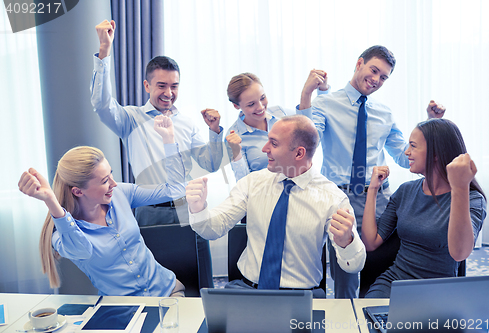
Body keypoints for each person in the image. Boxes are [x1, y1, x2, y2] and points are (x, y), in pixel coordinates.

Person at [298, 45, 446, 298]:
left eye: (384, 77)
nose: (376, 80)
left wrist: (433, 123)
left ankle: (375, 317)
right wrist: (306, 93)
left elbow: (403, 155)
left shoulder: (384, 113)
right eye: (374, 70)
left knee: (382, 263)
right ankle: (345, 319)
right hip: (339, 198)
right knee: (345, 273)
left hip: (377, 198)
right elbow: (306, 141)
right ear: (359, 64)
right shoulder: (326, 103)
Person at [91, 19, 223, 288]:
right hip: (149, 211)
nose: (169, 93)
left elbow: (210, 163)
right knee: (156, 282)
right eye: (161, 85)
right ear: (146, 86)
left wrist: (215, 131)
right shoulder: (130, 119)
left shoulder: (186, 122)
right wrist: (104, 51)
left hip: (187, 207)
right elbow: (101, 104)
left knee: (198, 280)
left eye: (174, 86)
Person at [187, 115, 366, 298]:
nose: (264, 149)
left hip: (301, 298)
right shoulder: (253, 182)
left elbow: (354, 264)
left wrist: (347, 242)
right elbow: (212, 230)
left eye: (273, 143)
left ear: (299, 153)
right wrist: (199, 209)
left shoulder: (333, 198)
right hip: (248, 292)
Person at [18, 116, 188, 296]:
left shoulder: (120, 193)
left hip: (167, 292)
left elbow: (175, 190)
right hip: (124, 312)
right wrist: (50, 201)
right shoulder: (61, 235)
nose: (114, 184)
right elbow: (81, 250)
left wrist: (169, 140)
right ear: (78, 191)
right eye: (105, 181)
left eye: (111, 175)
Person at [361, 118, 486, 298]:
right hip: (394, 283)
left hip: (438, 291)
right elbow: (370, 242)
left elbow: (459, 253)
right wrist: (372, 189)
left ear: (436, 153)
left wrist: (459, 187)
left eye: (413, 146)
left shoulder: (472, 199)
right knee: (369, 321)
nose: (406, 152)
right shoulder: (406, 191)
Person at [225, 71, 329, 181]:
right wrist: (236, 154)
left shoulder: (280, 114)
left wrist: (311, 93)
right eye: (251, 104)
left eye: (262, 98)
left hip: (300, 188)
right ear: (236, 105)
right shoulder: (234, 136)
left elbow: (310, 137)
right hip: (267, 195)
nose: (260, 107)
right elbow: (243, 182)